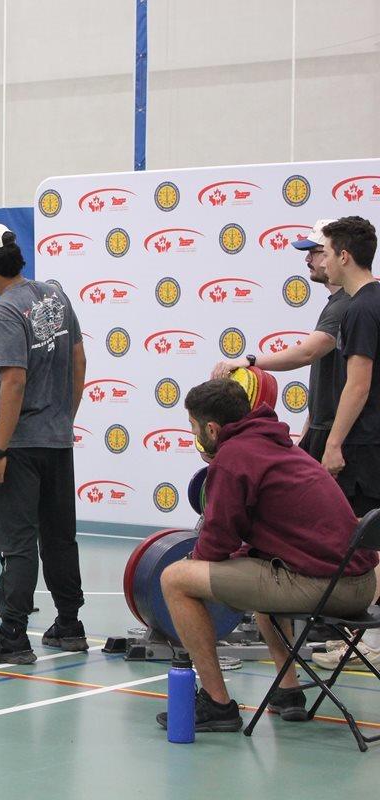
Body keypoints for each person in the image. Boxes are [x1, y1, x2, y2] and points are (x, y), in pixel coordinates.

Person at [155, 379, 377, 732]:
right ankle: (288, 692)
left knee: (175, 580)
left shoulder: (233, 457)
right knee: (261, 572)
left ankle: (217, 703)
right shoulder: (276, 444)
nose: (194, 435)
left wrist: (192, 561)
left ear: (212, 429)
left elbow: (216, 544)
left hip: (328, 589)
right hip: (362, 585)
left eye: (194, 427)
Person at [0, 222, 87, 664]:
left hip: (18, 446)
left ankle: (12, 634)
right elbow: (79, 360)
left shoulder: (5, 310)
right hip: (56, 440)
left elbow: (13, 380)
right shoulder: (55, 296)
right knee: (60, 537)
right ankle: (69, 625)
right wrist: (63, 418)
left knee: (16, 542)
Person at [212, 219, 346, 461]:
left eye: (315, 252)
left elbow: (306, 353)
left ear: (339, 254)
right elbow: (330, 378)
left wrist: (250, 360)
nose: (308, 260)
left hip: (341, 438)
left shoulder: (346, 305)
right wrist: (306, 435)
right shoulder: (337, 304)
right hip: (323, 431)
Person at [320, 216, 380, 515]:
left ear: (344, 256)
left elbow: (358, 386)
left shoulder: (360, 309)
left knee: (362, 538)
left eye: (326, 254)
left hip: (365, 451)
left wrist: (333, 444)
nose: (323, 263)